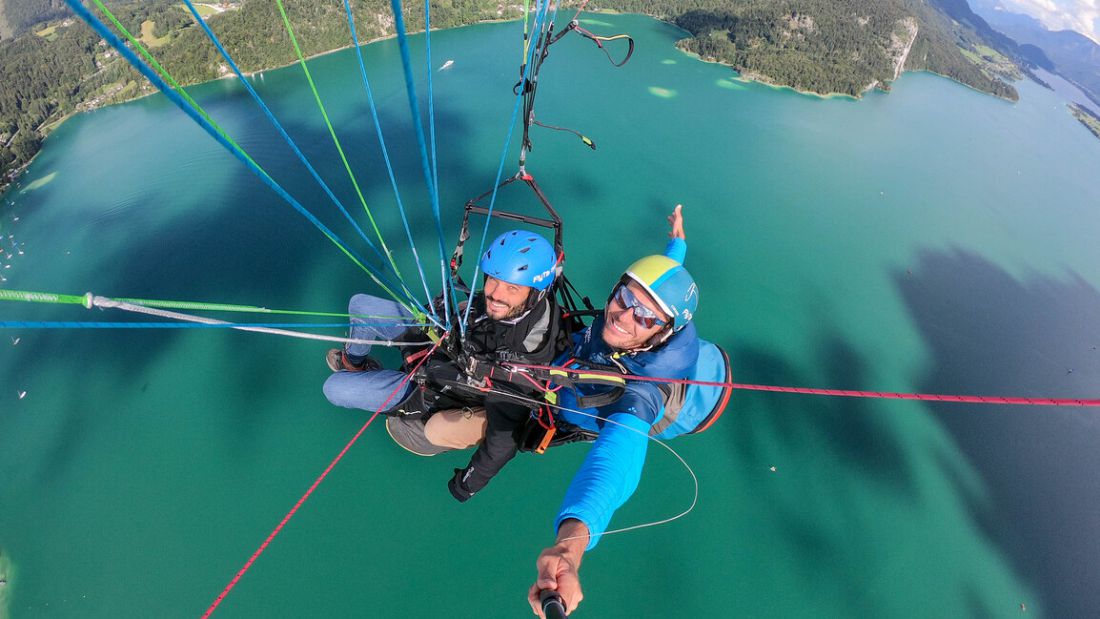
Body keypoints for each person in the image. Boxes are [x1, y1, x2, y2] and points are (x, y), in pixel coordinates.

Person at [522, 205, 730, 617]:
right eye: (624, 297)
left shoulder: (642, 395)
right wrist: (678, 242)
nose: (623, 314)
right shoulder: (646, 316)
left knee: (572, 411)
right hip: (601, 360)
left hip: (620, 404)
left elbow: (617, 461)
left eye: (645, 315)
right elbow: (663, 278)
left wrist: (571, 544)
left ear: (662, 333)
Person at [323, 230, 567, 470]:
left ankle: (396, 400)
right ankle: (355, 363)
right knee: (361, 304)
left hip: (432, 390)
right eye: (493, 279)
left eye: (511, 288)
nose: (494, 294)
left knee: (334, 388)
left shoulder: (523, 357)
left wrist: (466, 485)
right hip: (435, 344)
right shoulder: (509, 307)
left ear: (535, 293)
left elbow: (502, 440)